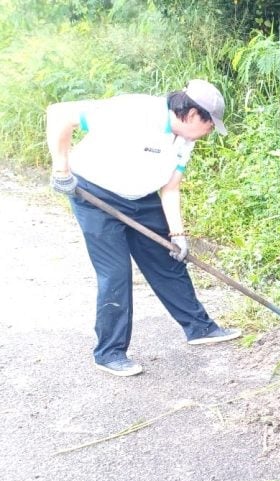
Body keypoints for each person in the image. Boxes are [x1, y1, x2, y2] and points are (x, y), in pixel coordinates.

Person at [45, 79, 241, 377]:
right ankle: (109, 352)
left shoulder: (184, 140)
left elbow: (171, 188)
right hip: (95, 194)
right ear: (190, 115)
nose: (210, 131)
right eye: (209, 124)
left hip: (141, 196)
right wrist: (61, 169)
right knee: (115, 273)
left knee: (169, 259)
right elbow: (60, 113)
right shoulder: (133, 111)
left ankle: (199, 328)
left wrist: (177, 234)